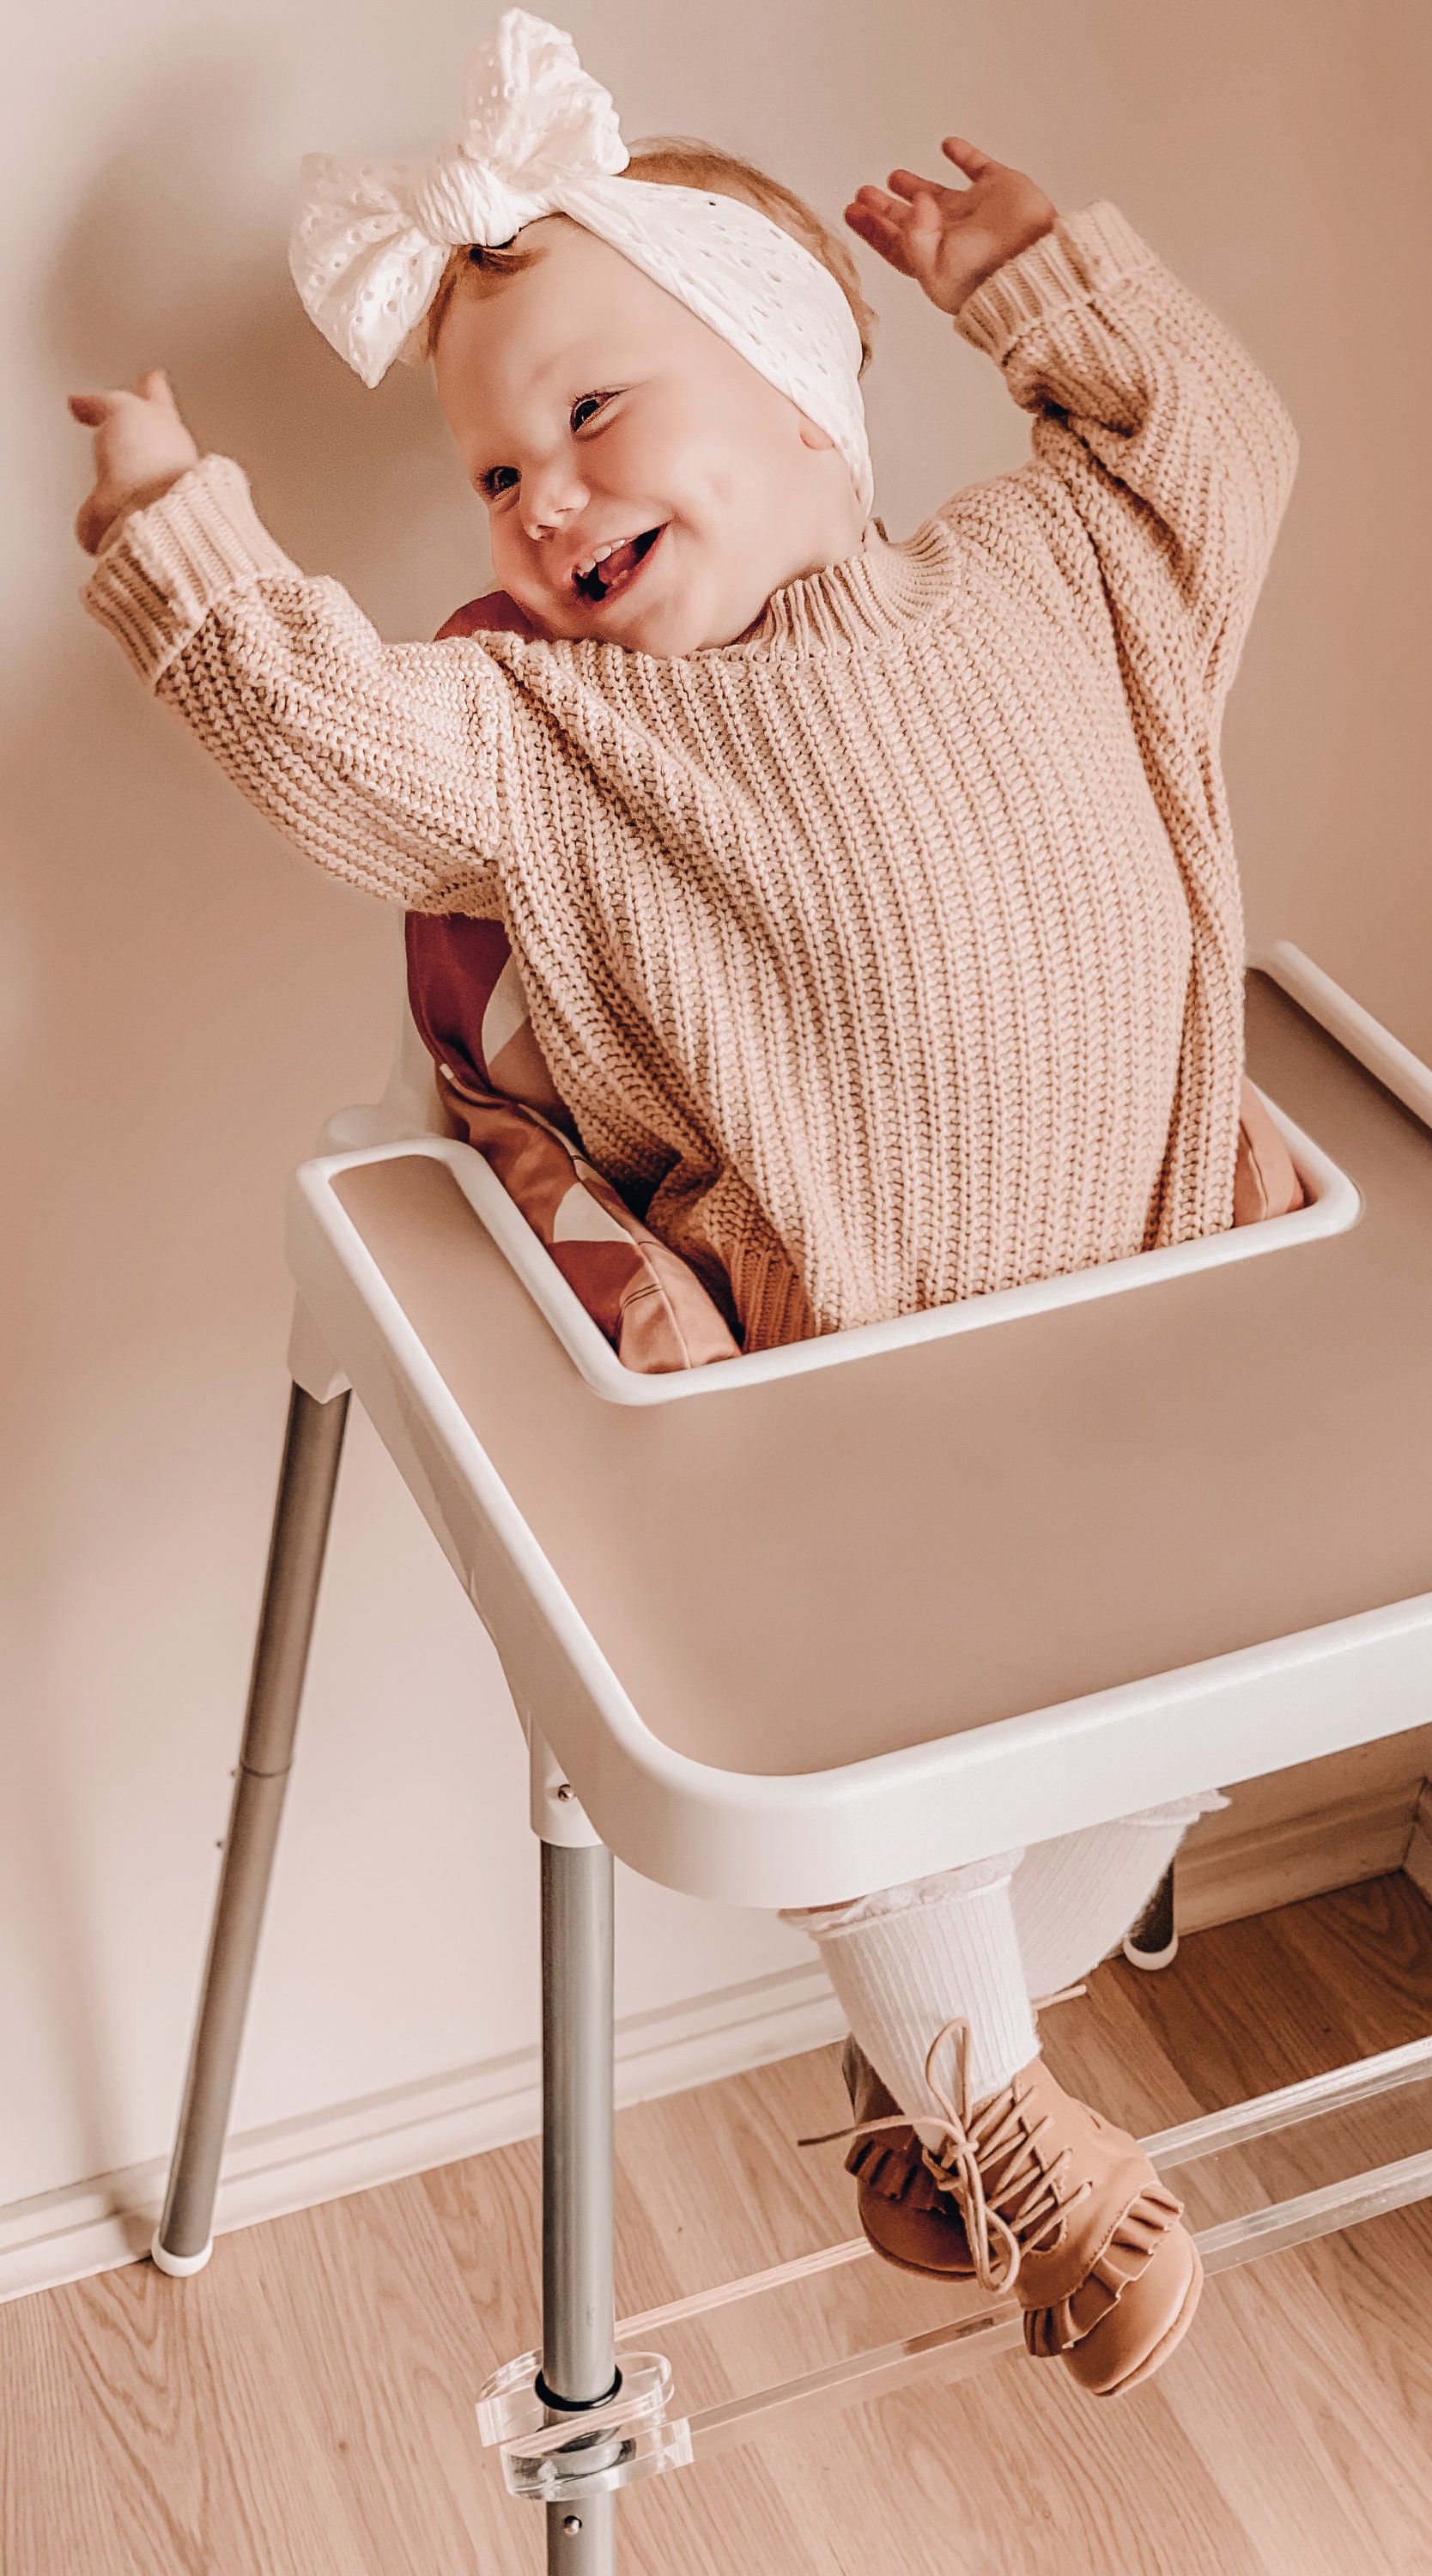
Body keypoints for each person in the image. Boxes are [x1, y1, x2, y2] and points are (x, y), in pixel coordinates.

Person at [69, 11, 1296, 2397]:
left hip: (1157, 1355)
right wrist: (171, 528)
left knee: (1163, 1741)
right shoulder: (547, 741)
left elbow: (1214, 452)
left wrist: (1050, 289)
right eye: (496, 470)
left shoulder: (1068, 577)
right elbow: (318, 734)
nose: (534, 499)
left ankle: (939, 2068)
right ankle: (995, 2118)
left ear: (796, 372)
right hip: (830, 1412)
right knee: (877, 1744)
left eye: (591, 415)